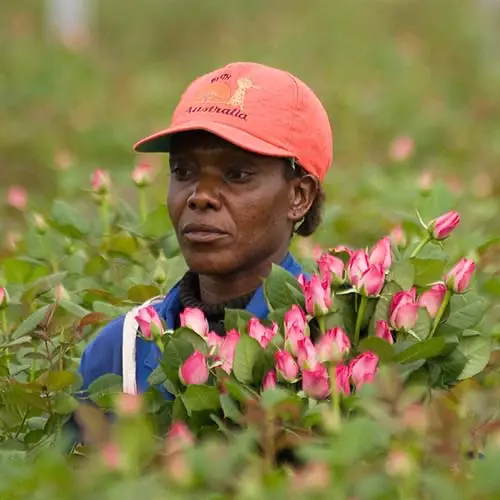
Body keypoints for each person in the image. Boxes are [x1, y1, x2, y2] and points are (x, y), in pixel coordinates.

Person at [68, 61, 332, 444]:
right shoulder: (120, 351)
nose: (201, 196)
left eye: (237, 174)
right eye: (183, 171)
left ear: (298, 196)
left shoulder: (336, 341)